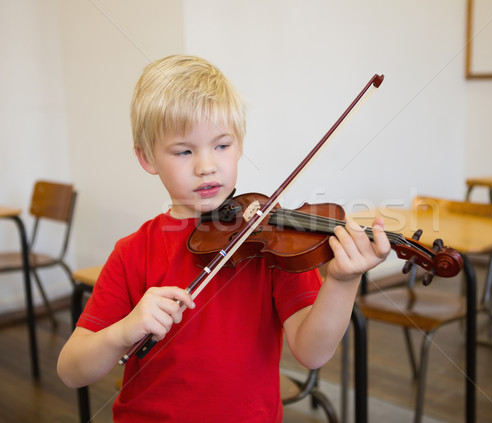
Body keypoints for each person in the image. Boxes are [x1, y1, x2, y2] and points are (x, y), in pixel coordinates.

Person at [57, 55, 390, 422]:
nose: (206, 165)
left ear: (240, 144)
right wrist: (123, 330)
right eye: (184, 151)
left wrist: (343, 282)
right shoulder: (133, 251)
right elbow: (72, 371)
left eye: (221, 145)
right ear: (147, 158)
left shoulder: (270, 243)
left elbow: (312, 352)